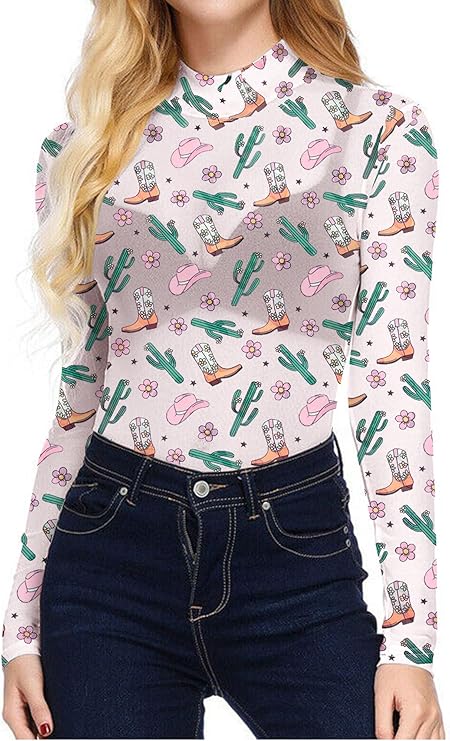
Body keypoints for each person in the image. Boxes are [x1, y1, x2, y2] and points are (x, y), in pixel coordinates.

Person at [1, 0, 444, 738]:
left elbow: (392, 385)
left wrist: (412, 640)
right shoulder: (85, 145)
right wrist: (20, 626)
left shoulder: (379, 131)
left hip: (296, 557)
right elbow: (85, 387)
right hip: (110, 557)